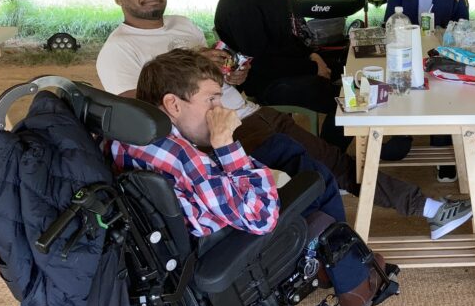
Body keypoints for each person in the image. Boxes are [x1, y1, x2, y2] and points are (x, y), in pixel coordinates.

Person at [100, 0, 475, 240]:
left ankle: (421, 211)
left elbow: (209, 79)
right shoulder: (119, 51)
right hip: (223, 136)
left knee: (335, 164)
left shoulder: (182, 24)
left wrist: (230, 74)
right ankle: (417, 213)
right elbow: (145, 120)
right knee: (329, 172)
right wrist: (220, 137)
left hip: (250, 111)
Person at [110, 49, 341, 238]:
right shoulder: (186, 158)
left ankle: (345, 261)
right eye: (211, 99)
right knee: (317, 180)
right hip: (229, 244)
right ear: (173, 104)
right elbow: (261, 218)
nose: (220, 109)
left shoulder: (123, 136)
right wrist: (225, 145)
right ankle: (351, 270)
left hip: (185, 220)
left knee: (284, 147)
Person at [214, 0, 344, 151]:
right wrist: (313, 69)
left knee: (348, 67)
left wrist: (313, 56)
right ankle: (329, 161)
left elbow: (287, 38)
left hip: (287, 67)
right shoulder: (239, 2)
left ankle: (356, 139)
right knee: (344, 100)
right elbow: (262, 63)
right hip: (266, 83)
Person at [365, 0, 469, 181]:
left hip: (438, 46)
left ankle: (442, 148)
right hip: (400, 43)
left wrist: (456, 40)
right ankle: (401, 138)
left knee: (442, 93)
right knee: (402, 88)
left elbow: (462, 15)